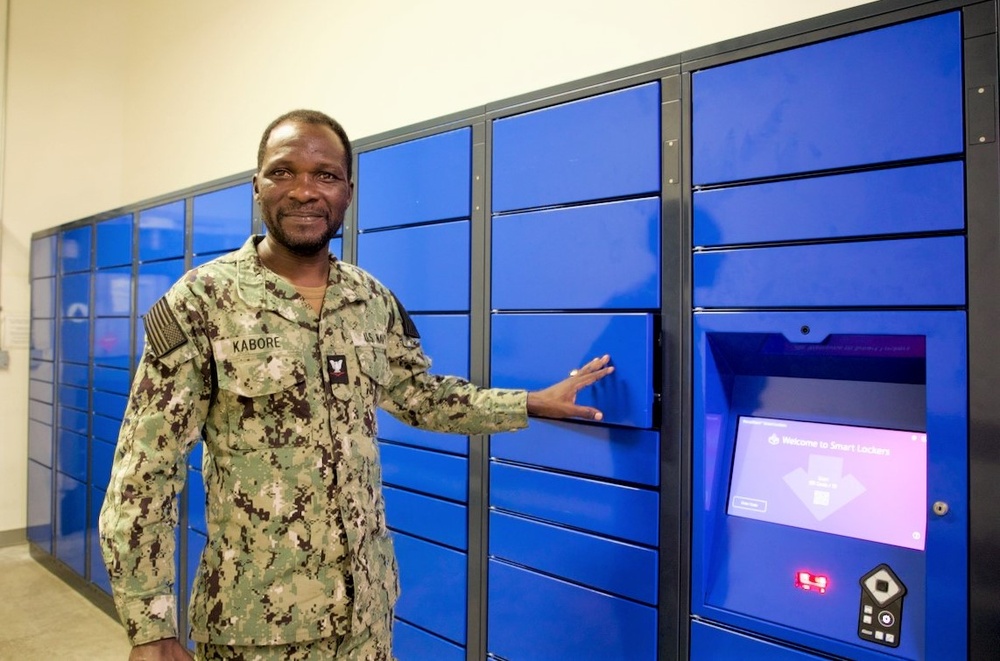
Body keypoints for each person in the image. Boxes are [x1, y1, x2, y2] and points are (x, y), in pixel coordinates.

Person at [99, 109, 614, 661]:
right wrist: (150, 626)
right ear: (256, 186)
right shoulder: (201, 302)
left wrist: (531, 402)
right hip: (256, 627)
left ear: (347, 190)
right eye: (283, 172)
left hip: (366, 616)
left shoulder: (371, 300)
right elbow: (144, 470)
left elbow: (422, 397)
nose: (303, 191)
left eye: (324, 175)